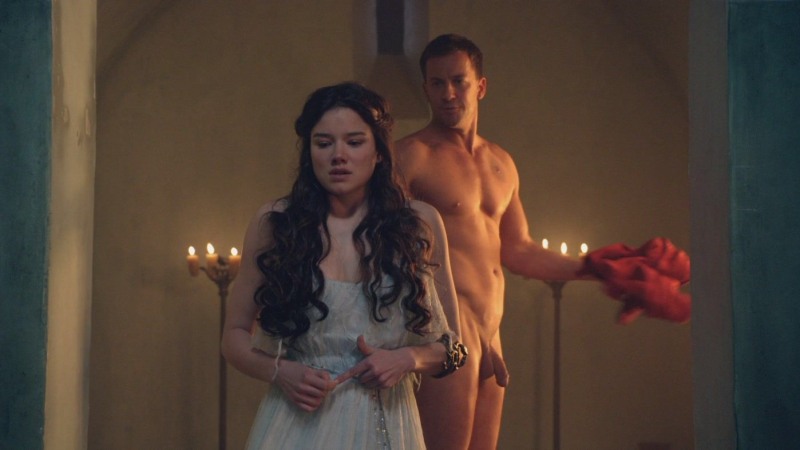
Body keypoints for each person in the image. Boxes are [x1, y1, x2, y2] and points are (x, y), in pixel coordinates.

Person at [221, 82, 467, 450]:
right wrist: (280, 371)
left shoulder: (418, 224)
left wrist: (407, 358)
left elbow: (454, 347)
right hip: (296, 423)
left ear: (378, 151)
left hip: (386, 424)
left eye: (354, 142)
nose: (339, 155)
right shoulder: (277, 224)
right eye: (324, 143)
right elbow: (234, 336)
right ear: (309, 153)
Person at [395, 34, 587, 450]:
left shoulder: (501, 162)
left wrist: (597, 268)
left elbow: (519, 250)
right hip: (444, 329)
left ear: (480, 86)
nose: (448, 93)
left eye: (458, 81)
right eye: (437, 83)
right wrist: (434, 330)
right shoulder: (410, 156)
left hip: (490, 332)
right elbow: (388, 251)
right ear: (425, 88)